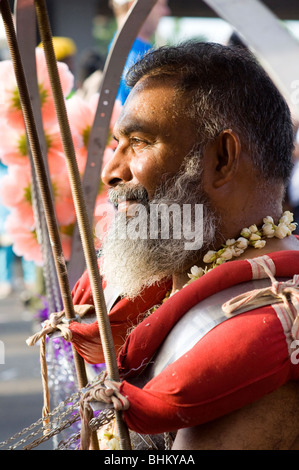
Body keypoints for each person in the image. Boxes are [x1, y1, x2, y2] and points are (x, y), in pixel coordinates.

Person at [42, 41, 299, 449]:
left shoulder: (269, 329)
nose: (111, 171)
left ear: (221, 159)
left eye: (140, 141)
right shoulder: (174, 281)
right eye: (116, 144)